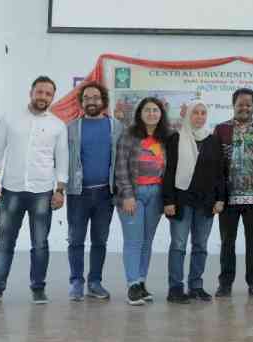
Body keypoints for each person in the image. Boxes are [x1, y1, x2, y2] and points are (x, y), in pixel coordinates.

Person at [0, 76, 68, 305]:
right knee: (4, 243)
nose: (43, 97)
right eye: (40, 92)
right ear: (31, 92)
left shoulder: (58, 125)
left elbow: (62, 160)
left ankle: (38, 288)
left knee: (40, 243)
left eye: (48, 94)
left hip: (42, 192)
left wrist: (60, 190)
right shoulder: (10, 119)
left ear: (52, 97)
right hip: (12, 190)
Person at [213, 88, 253, 298]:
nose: (244, 107)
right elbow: (216, 166)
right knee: (227, 242)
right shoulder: (221, 130)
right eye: (240, 103)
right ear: (234, 105)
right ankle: (225, 283)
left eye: (248, 104)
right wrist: (218, 196)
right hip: (227, 198)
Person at [162, 100, 225, 304]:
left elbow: (219, 173)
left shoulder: (213, 140)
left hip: (206, 202)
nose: (199, 116)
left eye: (203, 113)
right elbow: (169, 171)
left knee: (200, 245)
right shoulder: (176, 138)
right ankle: (175, 288)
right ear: (188, 115)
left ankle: (196, 286)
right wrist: (168, 200)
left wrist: (220, 198)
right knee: (179, 245)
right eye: (195, 113)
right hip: (181, 200)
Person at [65, 82, 123, 301]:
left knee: (100, 241)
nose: (91, 101)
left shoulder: (116, 126)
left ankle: (95, 282)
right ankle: (76, 283)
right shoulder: (71, 127)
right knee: (76, 240)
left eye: (96, 97)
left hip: (105, 195)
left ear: (103, 101)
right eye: (87, 97)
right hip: (77, 194)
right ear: (81, 102)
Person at [115, 97, 170, 305]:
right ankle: (132, 285)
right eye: (147, 110)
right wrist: (128, 195)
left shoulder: (164, 137)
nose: (151, 114)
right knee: (133, 241)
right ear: (140, 113)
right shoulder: (128, 135)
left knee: (147, 242)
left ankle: (141, 282)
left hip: (155, 194)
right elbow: (120, 168)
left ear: (161, 114)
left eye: (155, 110)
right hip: (133, 195)